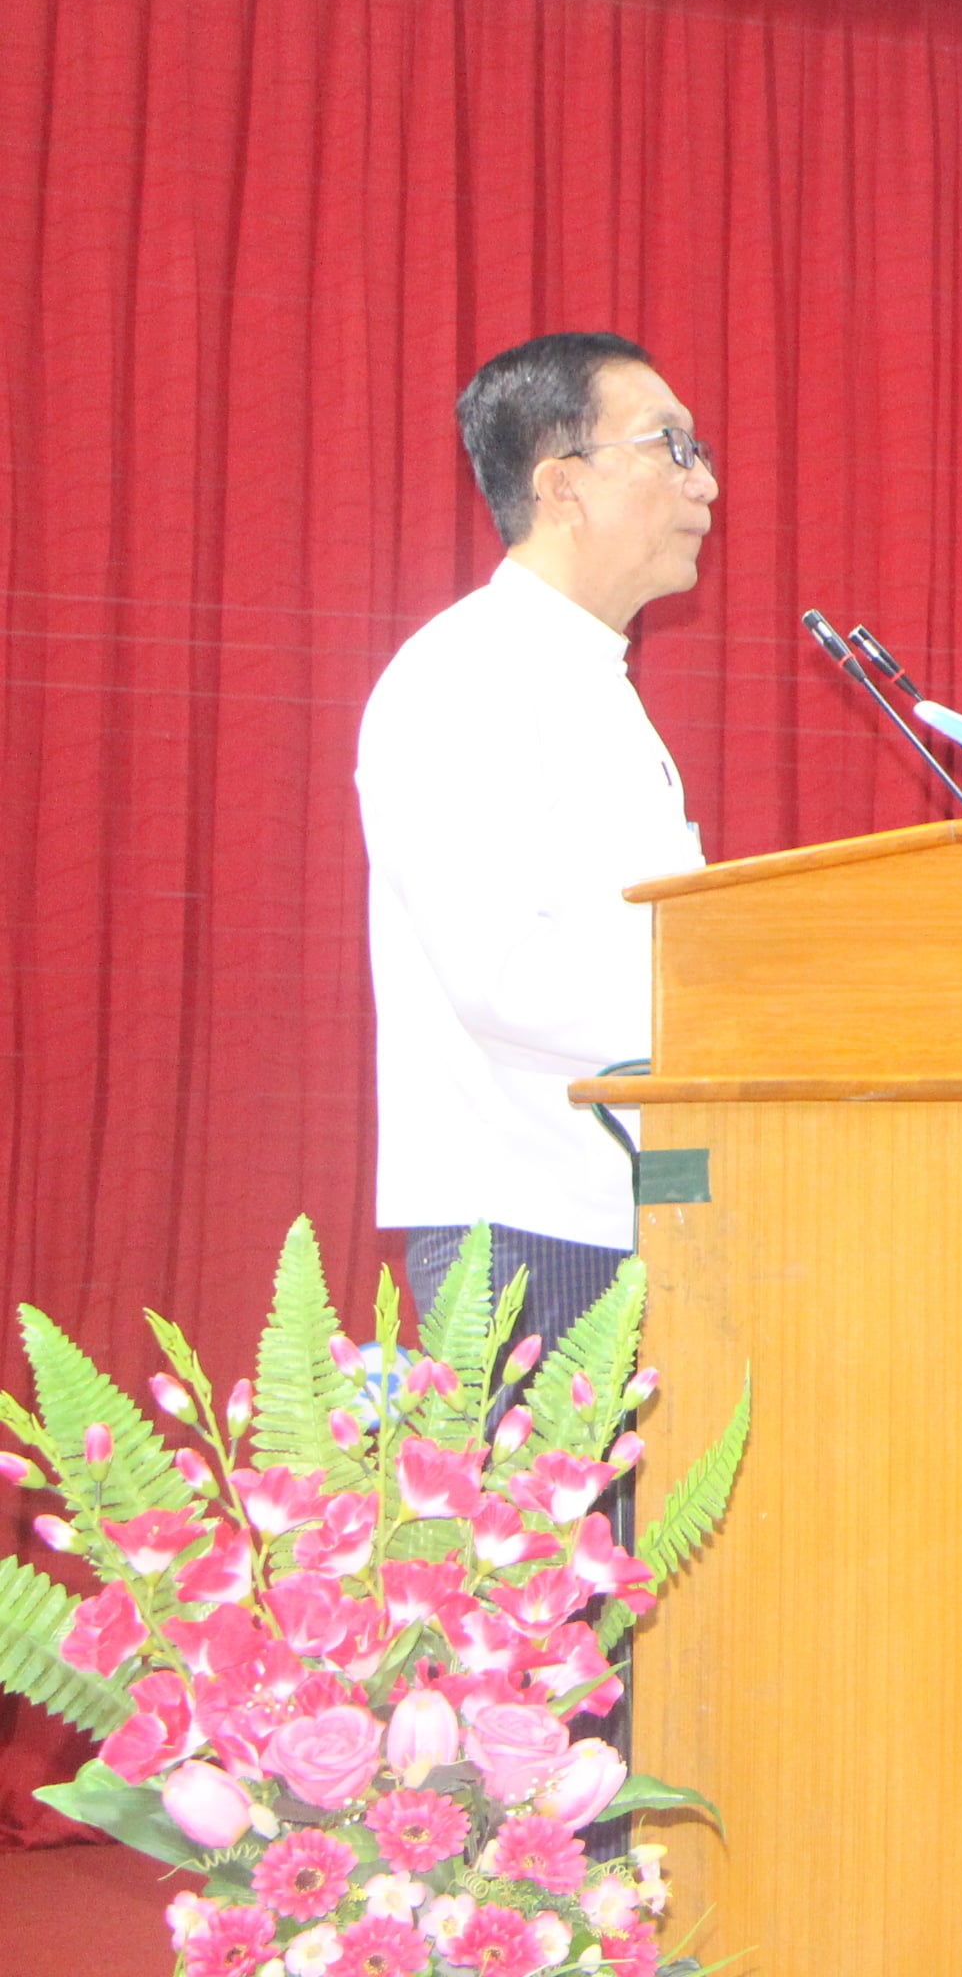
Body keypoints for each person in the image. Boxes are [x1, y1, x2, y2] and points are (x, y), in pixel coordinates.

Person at [357, 330, 716, 1363]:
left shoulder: (593, 682)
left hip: (640, 1205)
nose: (705, 484)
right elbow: (501, 975)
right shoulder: (466, 675)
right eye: (670, 446)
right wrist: (734, 1011)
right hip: (530, 1227)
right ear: (563, 486)